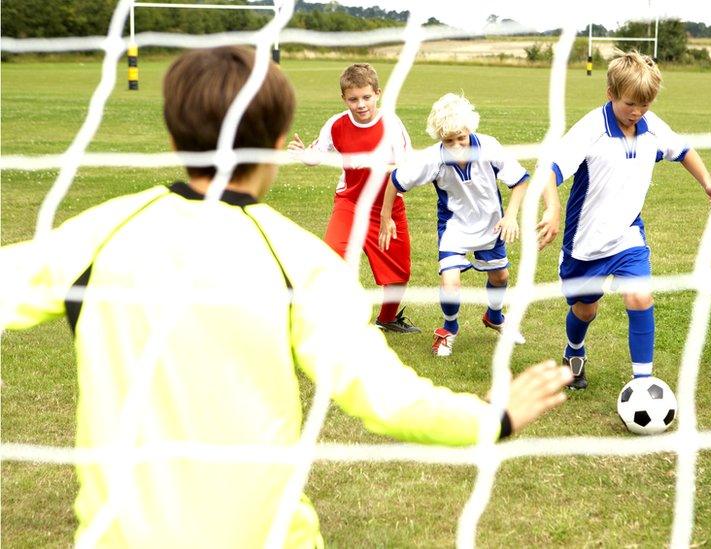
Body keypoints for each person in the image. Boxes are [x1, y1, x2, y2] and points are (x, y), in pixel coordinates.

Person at [0, 46, 572, 548]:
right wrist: (491, 418)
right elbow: (385, 397)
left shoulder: (99, 235)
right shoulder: (302, 262)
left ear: (174, 137)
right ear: (278, 142)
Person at [537, 51, 711, 390]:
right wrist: (553, 208)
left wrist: (706, 181)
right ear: (610, 93)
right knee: (585, 311)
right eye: (630, 104)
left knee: (639, 297)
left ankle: (643, 383)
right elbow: (549, 169)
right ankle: (574, 350)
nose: (637, 113)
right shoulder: (591, 128)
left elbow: (683, 150)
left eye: (645, 105)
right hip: (585, 242)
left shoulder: (652, 127)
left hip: (627, 236)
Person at [378, 93, 529, 357]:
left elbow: (520, 181)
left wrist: (511, 216)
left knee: (501, 277)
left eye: (462, 137)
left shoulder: (489, 146)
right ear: (439, 138)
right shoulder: (432, 158)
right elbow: (396, 180)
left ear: (470, 129)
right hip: (454, 227)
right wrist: (385, 215)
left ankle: (495, 317)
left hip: (491, 224)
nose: (457, 145)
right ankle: (449, 329)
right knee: (450, 283)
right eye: (449, 141)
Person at [288, 63, 419, 333]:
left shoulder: (392, 125)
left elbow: (407, 170)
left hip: (387, 207)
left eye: (366, 97)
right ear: (344, 98)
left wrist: (388, 209)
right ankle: (322, 320)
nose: (360, 104)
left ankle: (387, 319)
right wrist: (304, 155)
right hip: (350, 203)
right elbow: (318, 153)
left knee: (400, 271)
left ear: (378, 94)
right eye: (353, 99)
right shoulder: (336, 124)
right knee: (332, 259)